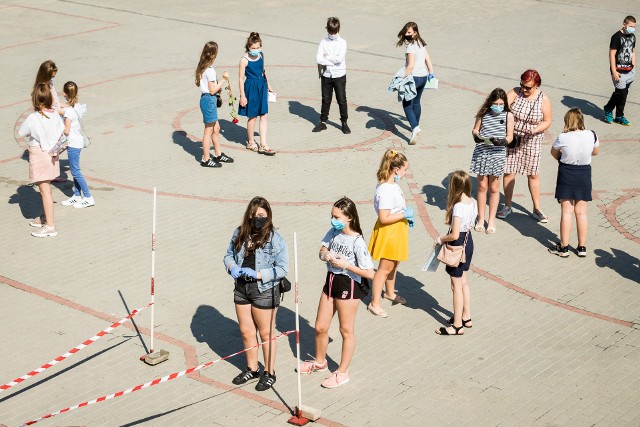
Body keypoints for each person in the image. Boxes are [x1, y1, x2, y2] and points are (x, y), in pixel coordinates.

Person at [298, 197, 374, 388]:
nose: (333, 220)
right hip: (331, 281)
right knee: (320, 326)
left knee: (345, 330)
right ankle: (320, 362)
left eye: (336, 216)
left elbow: (370, 273)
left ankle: (342, 372)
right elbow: (322, 249)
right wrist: (326, 255)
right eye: (332, 216)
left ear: (349, 217)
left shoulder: (357, 241)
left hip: (348, 284)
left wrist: (346, 265)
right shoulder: (334, 231)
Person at [223, 196, 288, 391]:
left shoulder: (275, 239)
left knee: (266, 333)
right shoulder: (240, 233)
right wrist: (232, 266)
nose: (257, 219)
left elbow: (283, 268)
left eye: (261, 215)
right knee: (246, 331)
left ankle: (269, 372)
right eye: (253, 215)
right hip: (242, 287)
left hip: (265, 290)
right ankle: (252, 369)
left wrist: (259, 274)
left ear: (268, 215)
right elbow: (228, 255)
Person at [498, 69, 552, 223]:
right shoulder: (515, 93)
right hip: (513, 138)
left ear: (537, 85)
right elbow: (501, 108)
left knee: (533, 173)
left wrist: (534, 129)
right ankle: (507, 206)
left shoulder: (543, 99)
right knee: (509, 172)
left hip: (532, 140)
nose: (524, 89)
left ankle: (537, 208)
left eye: (528, 87)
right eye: (522, 85)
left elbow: (547, 120)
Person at [367, 149, 414, 318]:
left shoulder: (392, 184)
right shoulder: (386, 189)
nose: (405, 172)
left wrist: (404, 217)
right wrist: (404, 214)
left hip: (397, 230)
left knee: (394, 264)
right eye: (404, 169)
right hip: (390, 232)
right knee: (384, 269)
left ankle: (389, 292)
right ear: (396, 169)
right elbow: (384, 217)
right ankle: (374, 303)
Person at [548, 108, 600, 258]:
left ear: (567, 121)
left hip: (566, 173)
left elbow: (554, 153)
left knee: (567, 211)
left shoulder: (563, 137)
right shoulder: (592, 134)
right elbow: (595, 152)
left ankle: (563, 247)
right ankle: (582, 247)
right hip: (584, 173)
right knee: (581, 212)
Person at [19, 83, 64, 238]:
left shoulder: (33, 117)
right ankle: (45, 218)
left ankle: (50, 227)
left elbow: (21, 131)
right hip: (53, 155)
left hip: (39, 154)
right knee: (47, 190)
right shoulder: (55, 114)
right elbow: (61, 131)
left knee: (45, 192)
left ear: (36, 101)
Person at [435, 170, 477, 336]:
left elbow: (454, 233)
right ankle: (466, 316)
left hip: (457, 245)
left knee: (456, 286)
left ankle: (457, 325)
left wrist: (441, 239)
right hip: (469, 242)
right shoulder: (472, 202)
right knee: (464, 281)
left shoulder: (458, 207)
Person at [470, 88, 514, 234]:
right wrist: (476, 135)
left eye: (501, 104)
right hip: (482, 152)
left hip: (497, 154)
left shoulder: (508, 115)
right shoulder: (483, 114)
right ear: (490, 102)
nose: (498, 106)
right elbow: (475, 129)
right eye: (495, 103)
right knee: (482, 187)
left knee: (494, 188)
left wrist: (502, 141)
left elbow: (510, 136)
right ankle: (481, 219)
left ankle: (492, 220)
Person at [195, 41, 234, 168]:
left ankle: (218, 154)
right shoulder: (210, 70)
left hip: (206, 99)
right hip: (209, 100)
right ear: (213, 55)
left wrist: (218, 87)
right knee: (208, 131)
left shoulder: (202, 66)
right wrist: (223, 80)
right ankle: (205, 159)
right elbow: (212, 90)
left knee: (216, 128)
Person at [396, 22, 435, 145]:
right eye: (406, 32)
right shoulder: (421, 43)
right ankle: (416, 125)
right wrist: (431, 72)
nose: (407, 34)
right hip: (423, 77)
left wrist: (402, 78)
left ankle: (415, 128)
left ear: (415, 33)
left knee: (407, 104)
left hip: (414, 78)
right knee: (417, 102)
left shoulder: (411, 47)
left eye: (409, 32)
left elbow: (410, 65)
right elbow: (428, 59)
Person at [239, 32, 276, 156]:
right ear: (248, 47)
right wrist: (242, 96)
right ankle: (250, 142)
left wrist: (268, 86)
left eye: (258, 47)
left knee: (264, 114)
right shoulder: (244, 60)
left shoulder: (261, 55)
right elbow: (240, 78)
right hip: (251, 87)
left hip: (261, 86)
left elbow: (263, 72)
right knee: (252, 116)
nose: (256, 50)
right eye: (253, 48)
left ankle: (263, 144)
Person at [59, 81, 94, 209]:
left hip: (73, 143)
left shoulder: (68, 112)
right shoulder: (77, 106)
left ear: (65, 93)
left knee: (75, 171)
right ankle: (77, 195)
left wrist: (58, 129)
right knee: (75, 170)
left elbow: (66, 130)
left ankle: (88, 197)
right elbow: (65, 106)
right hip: (78, 141)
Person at [313, 17, 350, 134]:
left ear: (338, 29)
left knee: (341, 99)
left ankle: (344, 122)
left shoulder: (343, 42)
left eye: (334, 32)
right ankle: (323, 122)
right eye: (330, 32)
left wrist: (326, 58)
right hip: (326, 75)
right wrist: (330, 61)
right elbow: (318, 58)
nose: (332, 34)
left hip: (339, 75)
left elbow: (339, 59)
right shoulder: (323, 42)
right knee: (325, 99)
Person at [33, 60, 65, 182]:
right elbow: (46, 108)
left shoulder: (50, 83)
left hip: (56, 117)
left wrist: (66, 106)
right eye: (52, 74)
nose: (54, 77)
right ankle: (47, 174)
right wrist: (61, 111)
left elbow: (55, 101)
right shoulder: (42, 87)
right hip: (49, 121)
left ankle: (52, 173)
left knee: (58, 146)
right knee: (56, 146)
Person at [604, 15, 636, 126]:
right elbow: (612, 54)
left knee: (624, 94)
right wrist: (614, 71)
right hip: (619, 71)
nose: (633, 29)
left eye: (634, 27)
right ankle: (608, 108)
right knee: (620, 93)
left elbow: (633, 51)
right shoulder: (616, 37)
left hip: (630, 70)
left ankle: (619, 116)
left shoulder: (632, 36)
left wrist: (634, 66)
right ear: (624, 24)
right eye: (631, 26)